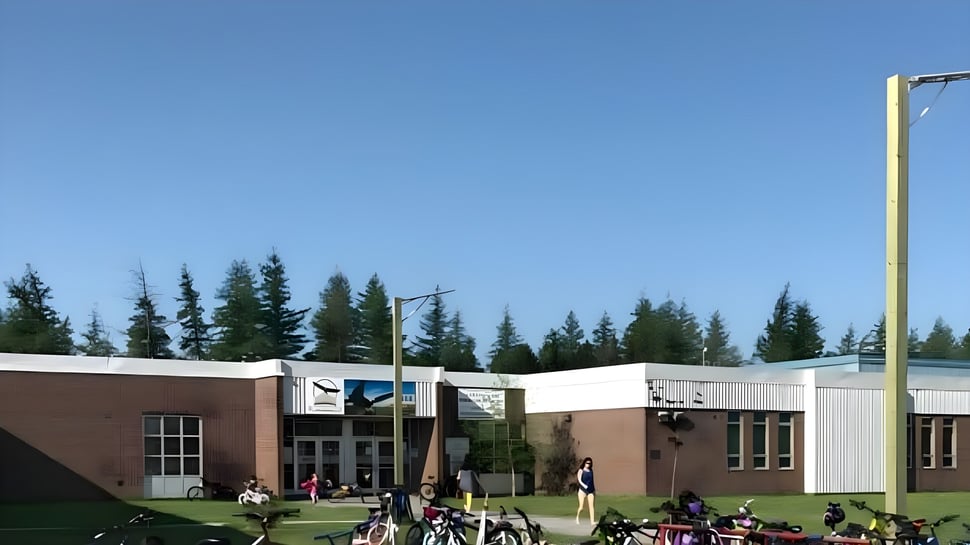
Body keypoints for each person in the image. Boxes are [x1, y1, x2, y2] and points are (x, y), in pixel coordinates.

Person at [576, 457, 596, 525]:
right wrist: (584, 486)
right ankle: (577, 518)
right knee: (581, 507)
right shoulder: (581, 470)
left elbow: (592, 481)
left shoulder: (591, 471)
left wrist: (593, 489)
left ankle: (592, 521)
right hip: (582, 490)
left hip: (590, 490)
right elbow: (579, 479)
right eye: (587, 463)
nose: (588, 464)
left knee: (591, 506)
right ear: (584, 463)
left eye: (590, 463)